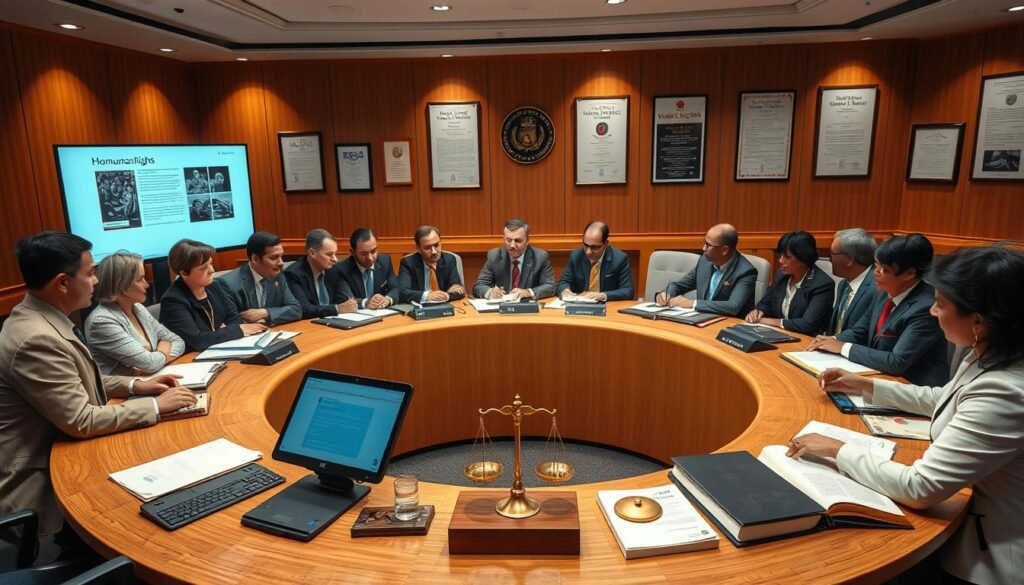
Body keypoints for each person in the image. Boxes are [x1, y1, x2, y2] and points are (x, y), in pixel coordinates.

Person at [788, 245, 1024, 585]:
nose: (931, 311)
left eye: (941, 304)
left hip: (986, 557)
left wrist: (837, 449)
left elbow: (920, 488)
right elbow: (944, 398)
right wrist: (865, 386)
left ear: (978, 321)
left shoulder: (1004, 390)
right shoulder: (990, 351)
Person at [0, 232, 196, 537]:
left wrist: (134, 385)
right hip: (47, 489)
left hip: (69, 457)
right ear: (63, 283)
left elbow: (77, 378)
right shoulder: (35, 338)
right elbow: (80, 419)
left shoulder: (44, 319)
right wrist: (156, 406)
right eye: (91, 273)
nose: (96, 281)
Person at [808, 233, 949, 386]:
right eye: (876, 265)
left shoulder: (926, 308)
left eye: (885, 269)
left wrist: (843, 347)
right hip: (880, 378)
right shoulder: (882, 292)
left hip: (913, 389)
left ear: (910, 273)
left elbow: (896, 361)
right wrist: (832, 340)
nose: (876, 272)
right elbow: (860, 331)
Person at [84, 251, 185, 375]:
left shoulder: (138, 308)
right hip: (123, 392)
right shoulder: (101, 321)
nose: (147, 285)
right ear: (121, 285)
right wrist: (163, 351)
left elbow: (177, 341)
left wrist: (155, 360)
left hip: (151, 379)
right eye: (140, 279)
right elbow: (150, 364)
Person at [160, 239, 267, 351]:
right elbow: (198, 341)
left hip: (225, 348)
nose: (212, 270)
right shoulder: (172, 300)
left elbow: (235, 320)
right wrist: (231, 330)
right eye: (203, 268)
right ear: (184, 273)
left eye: (210, 263)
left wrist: (216, 334)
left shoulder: (217, 285)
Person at [655, 223, 757, 317]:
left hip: (729, 324)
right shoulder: (705, 261)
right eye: (704, 242)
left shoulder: (746, 272)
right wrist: (667, 294)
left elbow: (733, 306)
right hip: (701, 319)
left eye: (709, 245)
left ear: (724, 250)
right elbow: (679, 285)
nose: (703, 248)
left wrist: (693, 303)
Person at [745, 231, 834, 334]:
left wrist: (772, 321)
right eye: (780, 255)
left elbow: (807, 324)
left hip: (807, 340)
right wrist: (758, 312)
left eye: (787, 257)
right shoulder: (781, 275)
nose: (781, 261)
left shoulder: (822, 284)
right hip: (780, 334)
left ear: (804, 257)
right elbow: (766, 303)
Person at [218, 231, 301, 326]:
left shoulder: (278, 276)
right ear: (255, 259)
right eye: (274, 258)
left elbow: (296, 310)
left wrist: (265, 313)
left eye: (281, 257)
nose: (281, 263)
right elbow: (232, 323)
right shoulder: (227, 284)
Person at [473, 219, 555, 300]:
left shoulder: (540, 257)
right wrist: (490, 292)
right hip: (500, 309)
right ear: (504, 239)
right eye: (508, 240)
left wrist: (528, 292)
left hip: (527, 309)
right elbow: (479, 286)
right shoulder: (495, 256)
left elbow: (550, 286)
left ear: (527, 241)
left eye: (518, 241)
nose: (512, 245)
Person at [284, 228, 357, 318]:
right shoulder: (293, 274)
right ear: (312, 253)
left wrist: (361, 303)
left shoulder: (333, 269)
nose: (335, 259)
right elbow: (304, 309)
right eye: (329, 254)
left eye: (335, 254)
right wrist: (337, 309)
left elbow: (344, 299)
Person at [556, 221, 634, 302]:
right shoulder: (576, 257)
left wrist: (603, 295)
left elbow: (628, 290)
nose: (588, 252)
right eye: (586, 245)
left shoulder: (619, 259)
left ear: (605, 244)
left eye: (594, 247)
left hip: (608, 308)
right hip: (580, 306)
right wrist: (565, 291)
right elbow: (563, 283)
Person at [827, 228, 877, 336]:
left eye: (832, 254)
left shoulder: (878, 288)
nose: (830, 259)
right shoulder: (843, 284)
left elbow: (865, 333)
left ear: (849, 259)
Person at [398, 226, 466, 303]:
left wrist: (446, 296)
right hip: (420, 307)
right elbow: (402, 292)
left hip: (445, 306)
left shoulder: (449, 260)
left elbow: (458, 290)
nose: (434, 251)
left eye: (436, 245)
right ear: (418, 248)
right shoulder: (408, 263)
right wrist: (427, 296)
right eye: (427, 248)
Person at [337, 228, 400, 309]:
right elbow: (346, 300)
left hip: (381, 313)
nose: (370, 258)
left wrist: (387, 299)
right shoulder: (342, 270)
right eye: (364, 254)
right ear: (353, 252)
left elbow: (395, 288)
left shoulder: (385, 261)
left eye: (373, 251)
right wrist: (366, 302)